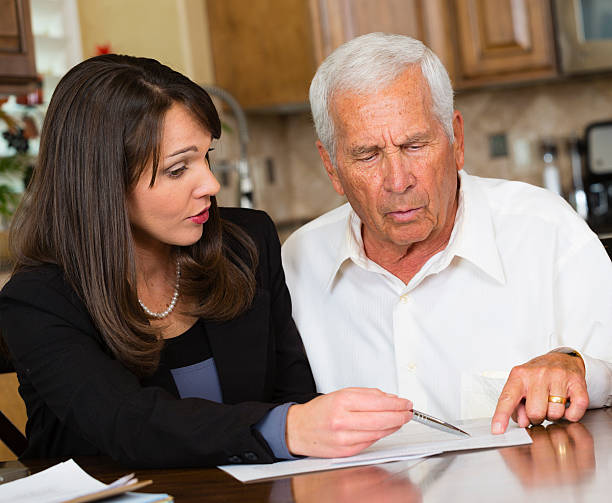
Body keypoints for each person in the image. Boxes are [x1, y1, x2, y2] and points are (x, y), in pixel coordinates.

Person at [0, 54, 413, 468]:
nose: (211, 185)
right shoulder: (38, 300)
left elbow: (294, 395)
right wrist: (287, 427)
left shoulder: (246, 244)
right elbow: (128, 423)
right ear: (104, 185)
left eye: (206, 156)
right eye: (178, 169)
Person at [281, 33, 612, 434]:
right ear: (331, 166)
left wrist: (574, 366)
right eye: (367, 155)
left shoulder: (545, 230)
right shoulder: (298, 261)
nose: (398, 181)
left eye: (415, 145)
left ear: (455, 140)